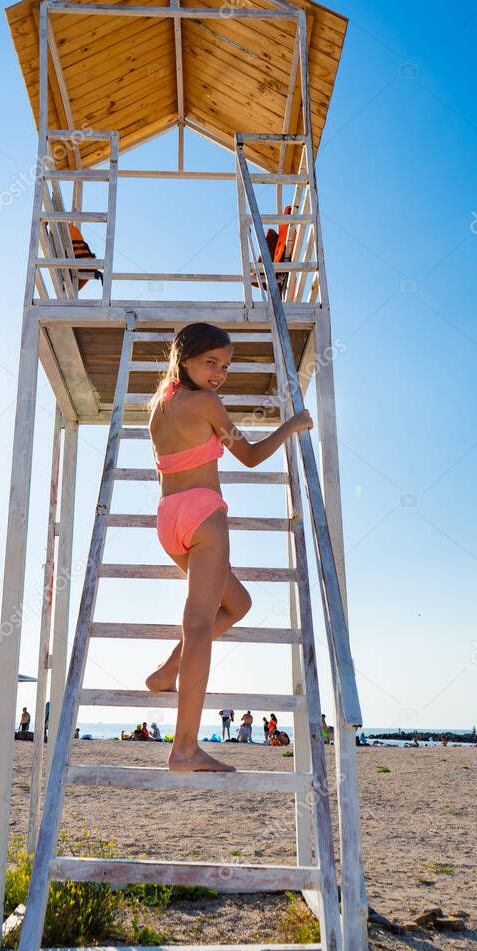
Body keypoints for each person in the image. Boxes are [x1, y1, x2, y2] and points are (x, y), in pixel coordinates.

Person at [145, 323, 313, 772]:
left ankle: (166, 673)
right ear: (185, 359)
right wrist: (292, 426)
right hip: (204, 516)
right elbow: (252, 456)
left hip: (168, 520)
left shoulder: (158, 408)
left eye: (224, 366)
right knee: (199, 625)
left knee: (237, 603)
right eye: (210, 362)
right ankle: (184, 749)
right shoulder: (207, 402)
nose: (219, 373)